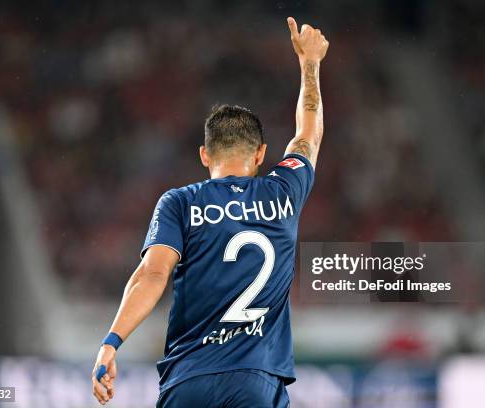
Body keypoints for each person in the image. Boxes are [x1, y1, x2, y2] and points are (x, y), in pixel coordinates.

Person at [91, 17, 329, 407]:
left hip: (188, 381)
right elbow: (308, 133)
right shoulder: (285, 188)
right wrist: (310, 64)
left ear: (204, 155)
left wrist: (111, 342)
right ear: (260, 155)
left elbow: (152, 275)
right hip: (256, 380)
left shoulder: (179, 202)